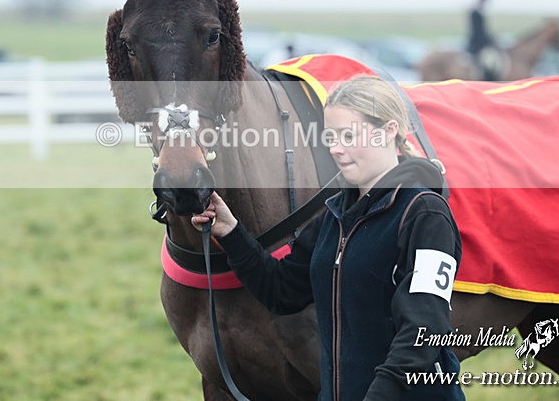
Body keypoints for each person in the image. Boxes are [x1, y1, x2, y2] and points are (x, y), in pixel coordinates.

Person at [192, 76, 465, 400]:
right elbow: (281, 291)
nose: (336, 148)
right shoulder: (333, 217)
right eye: (331, 137)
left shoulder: (425, 214)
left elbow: (424, 334)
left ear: (390, 131)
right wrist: (232, 232)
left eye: (349, 135)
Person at [466, 0, 498, 80]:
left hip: (481, 42)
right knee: (489, 62)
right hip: (478, 44)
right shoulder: (475, 13)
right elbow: (479, 32)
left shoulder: (479, 12)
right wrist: (490, 42)